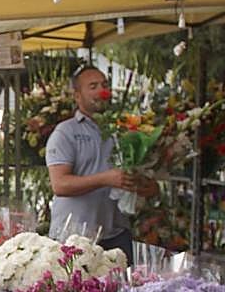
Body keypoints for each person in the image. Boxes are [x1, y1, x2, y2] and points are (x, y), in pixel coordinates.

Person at [45, 65, 157, 261]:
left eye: (104, 85)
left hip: (116, 234)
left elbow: (145, 181)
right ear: (77, 95)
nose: (101, 91)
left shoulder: (123, 130)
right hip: (74, 238)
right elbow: (60, 185)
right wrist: (105, 179)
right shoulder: (65, 132)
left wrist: (145, 185)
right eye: (93, 86)